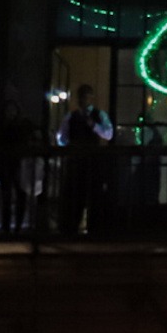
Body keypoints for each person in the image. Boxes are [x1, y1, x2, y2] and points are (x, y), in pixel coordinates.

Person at [54, 84, 115, 236]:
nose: (84, 99)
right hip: (76, 162)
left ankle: (94, 229)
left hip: (92, 161)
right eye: (82, 96)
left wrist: (93, 125)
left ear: (91, 98)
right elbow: (61, 138)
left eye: (87, 96)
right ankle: (71, 229)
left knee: (94, 195)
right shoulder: (71, 116)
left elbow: (108, 134)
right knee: (75, 196)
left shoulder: (98, 115)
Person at [0, 97, 37, 234]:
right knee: (8, 197)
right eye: (8, 110)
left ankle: (14, 227)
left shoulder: (17, 126)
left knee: (17, 197)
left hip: (18, 164)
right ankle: (9, 227)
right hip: (10, 164)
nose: (10, 113)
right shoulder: (8, 126)